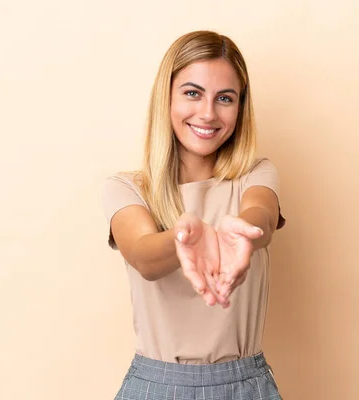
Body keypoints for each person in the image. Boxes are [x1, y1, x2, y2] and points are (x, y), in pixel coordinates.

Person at [102, 30, 286, 399]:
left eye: (225, 98)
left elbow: (261, 216)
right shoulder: (128, 187)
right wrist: (184, 236)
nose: (208, 113)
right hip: (155, 387)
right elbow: (143, 256)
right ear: (166, 98)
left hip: (246, 387)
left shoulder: (255, 174)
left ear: (240, 107)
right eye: (192, 93)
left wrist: (243, 230)